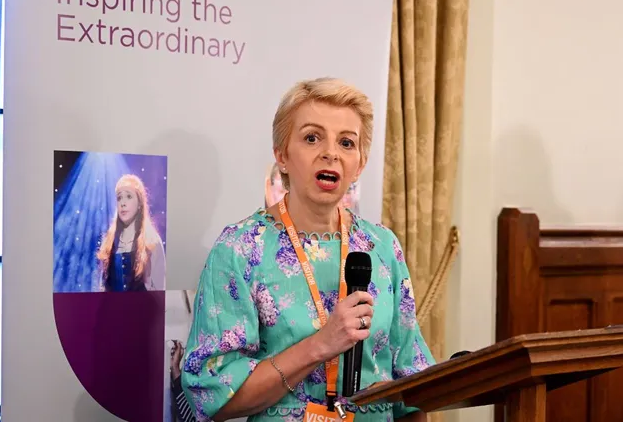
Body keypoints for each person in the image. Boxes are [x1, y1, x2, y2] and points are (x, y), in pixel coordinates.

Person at [181, 78, 435, 422]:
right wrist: (320, 345)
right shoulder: (240, 248)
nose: (330, 152)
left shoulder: (382, 246)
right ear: (282, 156)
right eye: (312, 138)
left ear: (359, 164)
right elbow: (213, 396)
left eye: (347, 142)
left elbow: (414, 382)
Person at [96, 174, 166, 291]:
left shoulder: (151, 242)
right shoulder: (109, 243)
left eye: (129, 196)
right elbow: (103, 288)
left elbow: (160, 290)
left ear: (139, 203)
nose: (123, 203)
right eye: (119, 198)